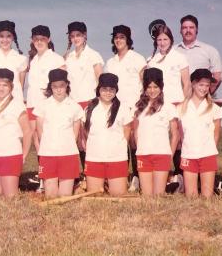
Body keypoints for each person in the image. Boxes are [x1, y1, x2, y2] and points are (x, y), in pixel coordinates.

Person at [146, 24, 191, 179]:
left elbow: (187, 83)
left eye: (165, 39)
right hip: (159, 105)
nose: (162, 42)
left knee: (178, 140)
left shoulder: (179, 57)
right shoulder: (152, 60)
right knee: (160, 138)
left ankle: (180, 175)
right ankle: (161, 173)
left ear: (171, 40)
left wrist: (184, 104)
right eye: (159, 39)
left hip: (177, 103)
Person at [105, 25, 146, 192]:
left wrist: (139, 107)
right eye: (116, 37)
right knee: (119, 142)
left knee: (134, 143)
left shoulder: (137, 58)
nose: (119, 40)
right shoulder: (110, 62)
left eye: (122, 37)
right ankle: (120, 175)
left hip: (134, 107)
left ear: (128, 39)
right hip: (116, 108)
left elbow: (144, 84)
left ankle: (136, 176)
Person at [26, 25, 66, 191]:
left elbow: (62, 83)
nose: (39, 42)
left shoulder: (56, 59)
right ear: (32, 41)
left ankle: (55, 176)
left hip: (47, 106)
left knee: (49, 139)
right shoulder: (34, 60)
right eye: (36, 39)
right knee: (37, 140)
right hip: (31, 104)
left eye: (43, 39)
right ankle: (43, 177)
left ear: (48, 40)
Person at [33, 69, 83, 198]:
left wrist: (65, 147)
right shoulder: (42, 106)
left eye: (61, 86)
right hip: (48, 154)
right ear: (51, 87)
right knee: (51, 196)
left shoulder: (75, 107)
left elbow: (75, 135)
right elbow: (40, 132)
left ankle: (74, 186)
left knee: (64, 196)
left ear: (67, 85)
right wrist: (48, 147)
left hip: (68, 154)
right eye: (55, 86)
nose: (59, 90)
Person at [82, 73, 133, 196]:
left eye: (112, 90)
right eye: (104, 89)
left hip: (117, 158)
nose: (108, 92)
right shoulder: (89, 108)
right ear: (99, 89)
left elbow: (127, 133)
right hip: (94, 158)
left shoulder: (123, 108)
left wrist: (116, 148)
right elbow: (85, 132)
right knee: (94, 196)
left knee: (119, 196)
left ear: (116, 91)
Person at [64, 21, 104, 173]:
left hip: (90, 102)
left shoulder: (93, 55)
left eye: (78, 35)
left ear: (85, 35)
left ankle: (97, 173)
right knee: (80, 142)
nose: (75, 38)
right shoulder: (69, 57)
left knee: (91, 139)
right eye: (72, 36)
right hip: (74, 103)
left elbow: (101, 79)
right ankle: (86, 174)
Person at [0, 68, 32, 197]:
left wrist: (23, 156)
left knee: (10, 199)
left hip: (10, 155)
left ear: (11, 87)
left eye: (5, 85)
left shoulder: (17, 105)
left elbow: (27, 132)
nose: (1, 88)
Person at [134, 68, 179, 196]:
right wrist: (141, 149)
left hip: (162, 155)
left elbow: (175, 135)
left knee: (158, 196)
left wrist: (169, 155)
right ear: (144, 88)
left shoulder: (168, 107)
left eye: (155, 87)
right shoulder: (138, 107)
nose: (152, 90)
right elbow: (135, 132)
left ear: (161, 86)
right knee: (147, 197)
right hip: (143, 155)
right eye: (149, 87)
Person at [177, 69, 222, 198]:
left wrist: (207, 150)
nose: (204, 88)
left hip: (207, 155)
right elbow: (181, 134)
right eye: (201, 84)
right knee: (191, 197)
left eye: (207, 85)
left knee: (206, 197)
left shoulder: (214, 108)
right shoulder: (181, 108)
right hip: (188, 155)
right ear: (193, 84)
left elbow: (216, 134)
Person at [0, 20, 28, 108]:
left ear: (13, 38)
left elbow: (21, 84)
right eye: (1, 36)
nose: (5, 40)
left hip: (14, 102)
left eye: (8, 36)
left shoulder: (21, 59)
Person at [175, 14, 222, 95]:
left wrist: (205, 95)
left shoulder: (210, 50)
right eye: (184, 28)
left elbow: (217, 77)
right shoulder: (172, 51)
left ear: (196, 30)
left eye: (191, 27)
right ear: (180, 30)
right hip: (176, 99)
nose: (188, 30)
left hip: (200, 100)